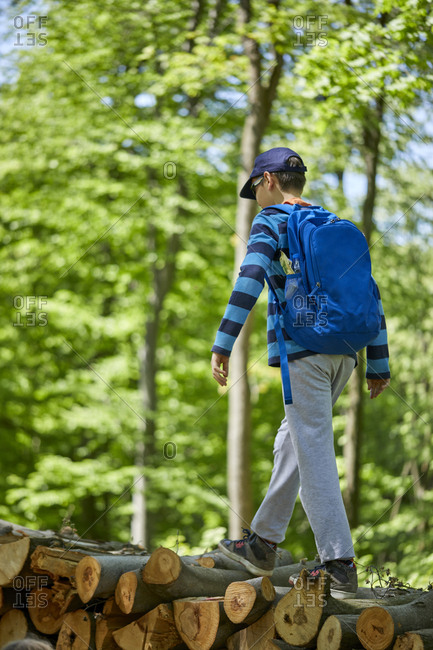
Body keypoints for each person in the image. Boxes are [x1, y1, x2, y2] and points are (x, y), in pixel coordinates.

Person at [211, 146, 390, 599]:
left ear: (269, 181)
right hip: (346, 354)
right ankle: (263, 544)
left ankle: (339, 563)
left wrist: (224, 341)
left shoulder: (274, 221)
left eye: (255, 189)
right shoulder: (336, 224)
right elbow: (369, 292)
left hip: (305, 351)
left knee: (311, 448)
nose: (254, 200)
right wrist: (378, 362)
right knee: (291, 439)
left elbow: (249, 276)